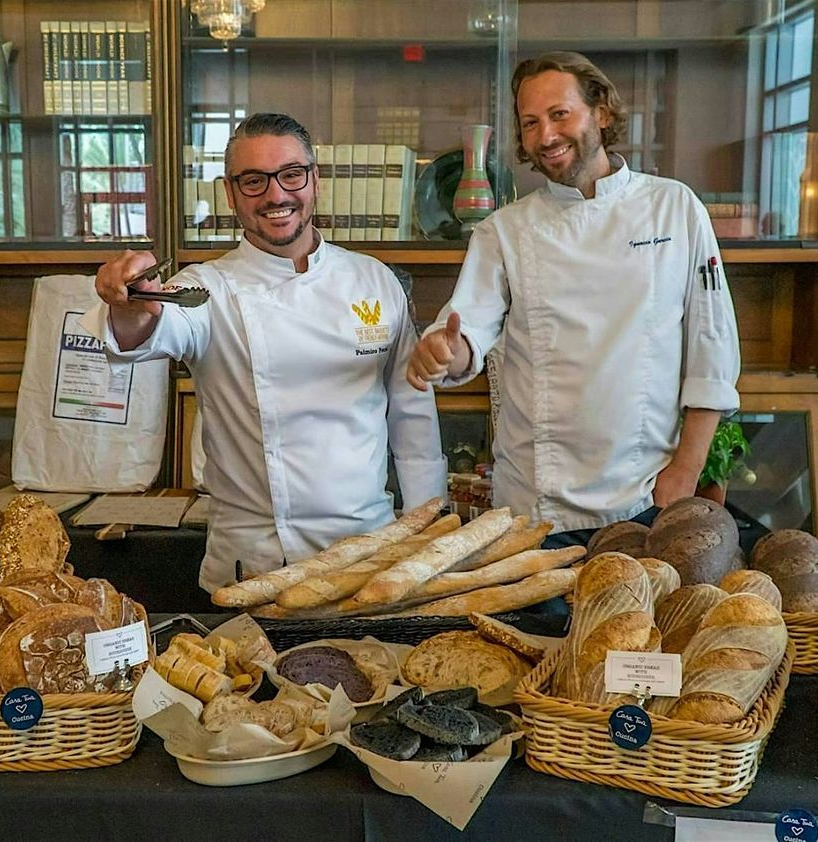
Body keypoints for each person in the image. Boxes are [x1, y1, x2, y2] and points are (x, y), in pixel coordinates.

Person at [85, 113, 446, 593]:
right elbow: (147, 331)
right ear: (230, 193)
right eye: (253, 181)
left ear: (314, 181)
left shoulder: (374, 280)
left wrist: (429, 539)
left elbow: (413, 418)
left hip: (368, 555)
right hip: (256, 562)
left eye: (291, 175)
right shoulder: (207, 287)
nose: (276, 196)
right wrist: (132, 306)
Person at [407, 52, 740, 549]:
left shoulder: (674, 208)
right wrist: (443, 351)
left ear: (601, 113)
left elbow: (711, 350)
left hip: (646, 499)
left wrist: (685, 475)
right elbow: (466, 330)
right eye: (530, 123)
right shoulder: (505, 231)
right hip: (537, 513)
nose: (546, 137)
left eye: (560, 114)